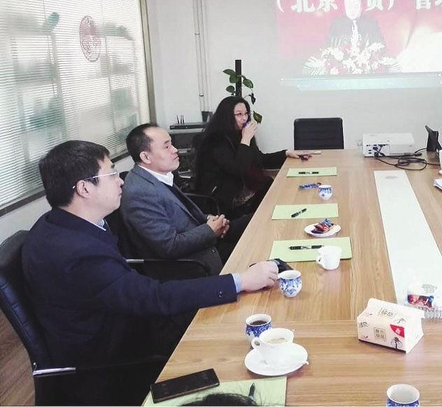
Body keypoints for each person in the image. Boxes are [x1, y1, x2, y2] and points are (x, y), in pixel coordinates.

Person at [22, 140, 278, 404]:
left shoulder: (62, 223)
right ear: (84, 188)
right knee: (238, 344)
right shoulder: (76, 253)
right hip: (117, 359)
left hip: (121, 321)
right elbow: (151, 297)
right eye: (111, 174)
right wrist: (241, 281)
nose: (121, 181)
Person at [121, 124, 249, 274]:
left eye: (171, 144)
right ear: (146, 157)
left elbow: (181, 213)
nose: (175, 150)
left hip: (201, 241)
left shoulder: (157, 176)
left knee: (254, 221)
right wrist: (210, 230)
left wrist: (209, 219)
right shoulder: (140, 193)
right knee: (254, 250)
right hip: (192, 263)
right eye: (166, 147)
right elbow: (169, 246)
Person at [195, 96, 309, 219]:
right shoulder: (216, 140)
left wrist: (285, 153)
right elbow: (238, 169)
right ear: (227, 116)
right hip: (224, 199)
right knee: (269, 188)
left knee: (270, 184)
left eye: (246, 114)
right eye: (239, 114)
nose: (244, 118)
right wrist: (245, 140)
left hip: (240, 190)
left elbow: (259, 159)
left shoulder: (240, 134)